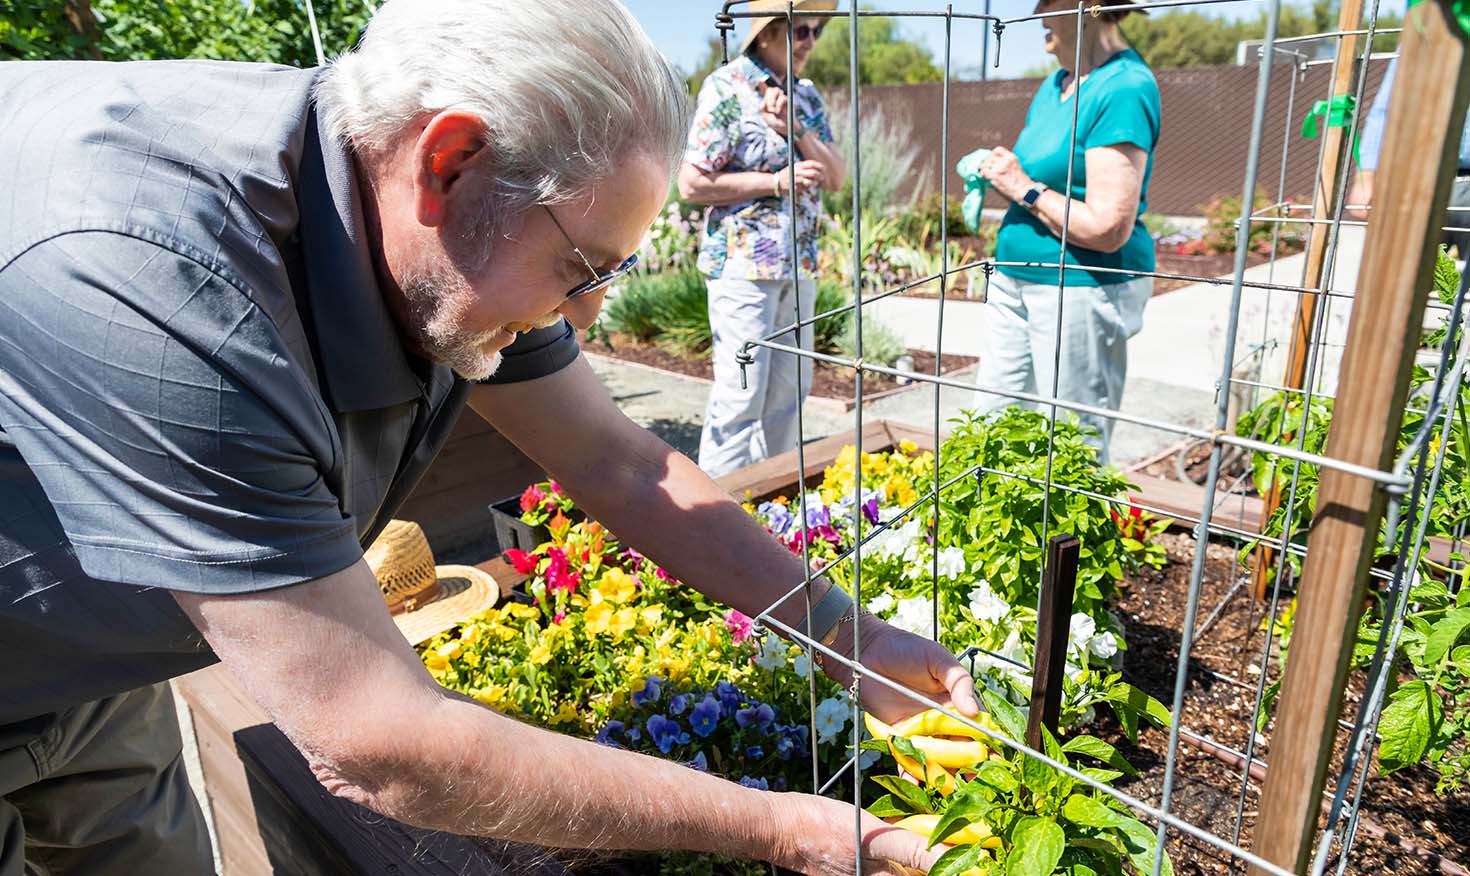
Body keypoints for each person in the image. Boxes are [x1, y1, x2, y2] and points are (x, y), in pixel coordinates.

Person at [0, 2, 975, 874]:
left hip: (98, 645)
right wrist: (783, 831)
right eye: (580, 265)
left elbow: (621, 464)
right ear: (449, 162)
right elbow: (376, 743)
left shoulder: (418, 205)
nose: (586, 318)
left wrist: (851, 637)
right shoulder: (171, 291)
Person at [975, 0, 1161, 463]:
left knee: (1072, 447)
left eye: (1047, 2)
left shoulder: (1124, 87)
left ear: (1089, 7)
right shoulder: (1057, 85)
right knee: (991, 430)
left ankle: (1071, 539)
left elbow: (1108, 227)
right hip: (1015, 279)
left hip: (1079, 287)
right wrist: (1005, 177)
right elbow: (1039, 181)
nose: (1037, 13)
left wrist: (1024, 187)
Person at [680, 0, 847, 478]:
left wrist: (796, 129)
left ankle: (776, 503)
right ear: (767, 33)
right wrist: (774, 182)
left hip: (800, 266)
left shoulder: (807, 95)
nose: (811, 42)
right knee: (741, 393)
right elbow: (692, 183)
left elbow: (835, 177)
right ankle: (719, 514)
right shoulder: (728, 88)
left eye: (817, 32)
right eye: (801, 31)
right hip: (743, 268)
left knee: (789, 392)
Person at [1346, 55, 1470, 255]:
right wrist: (1366, 176)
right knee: (1402, 276)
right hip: (1420, 179)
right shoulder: (1431, 27)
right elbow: (1388, 106)